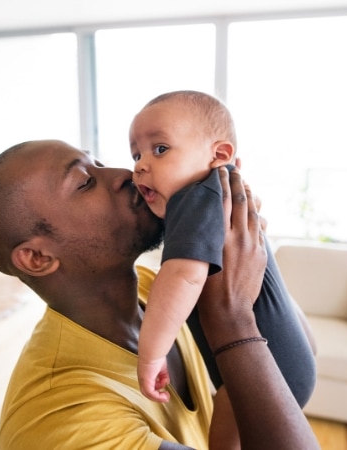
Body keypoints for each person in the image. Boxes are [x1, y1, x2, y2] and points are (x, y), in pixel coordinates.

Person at [0, 140, 320, 449]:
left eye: (99, 163)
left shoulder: (158, 289)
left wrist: (246, 239)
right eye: (86, 182)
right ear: (38, 258)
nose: (125, 173)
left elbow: (299, 359)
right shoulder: (62, 419)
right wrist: (232, 317)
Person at [129, 91, 316, 414]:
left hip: (259, 373)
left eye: (160, 149)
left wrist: (151, 354)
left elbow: (183, 275)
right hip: (288, 353)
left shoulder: (195, 197)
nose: (142, 165)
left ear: (219, 154)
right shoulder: (222, 190)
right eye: (135, 155)